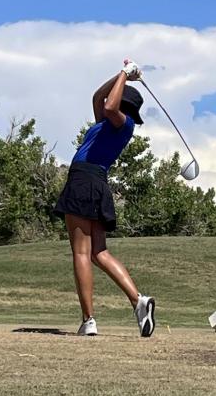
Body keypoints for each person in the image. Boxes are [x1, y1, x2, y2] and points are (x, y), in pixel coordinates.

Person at [53, 59, 156, 337]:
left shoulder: (122, 123)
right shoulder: (108, 125)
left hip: (84, 179)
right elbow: (99, 97)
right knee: (99, 252)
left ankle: (88, 320)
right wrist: (123, 75)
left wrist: (125, 74)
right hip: (96, 182)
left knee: (81, 252)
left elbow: (109, 104)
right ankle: (138, 301)